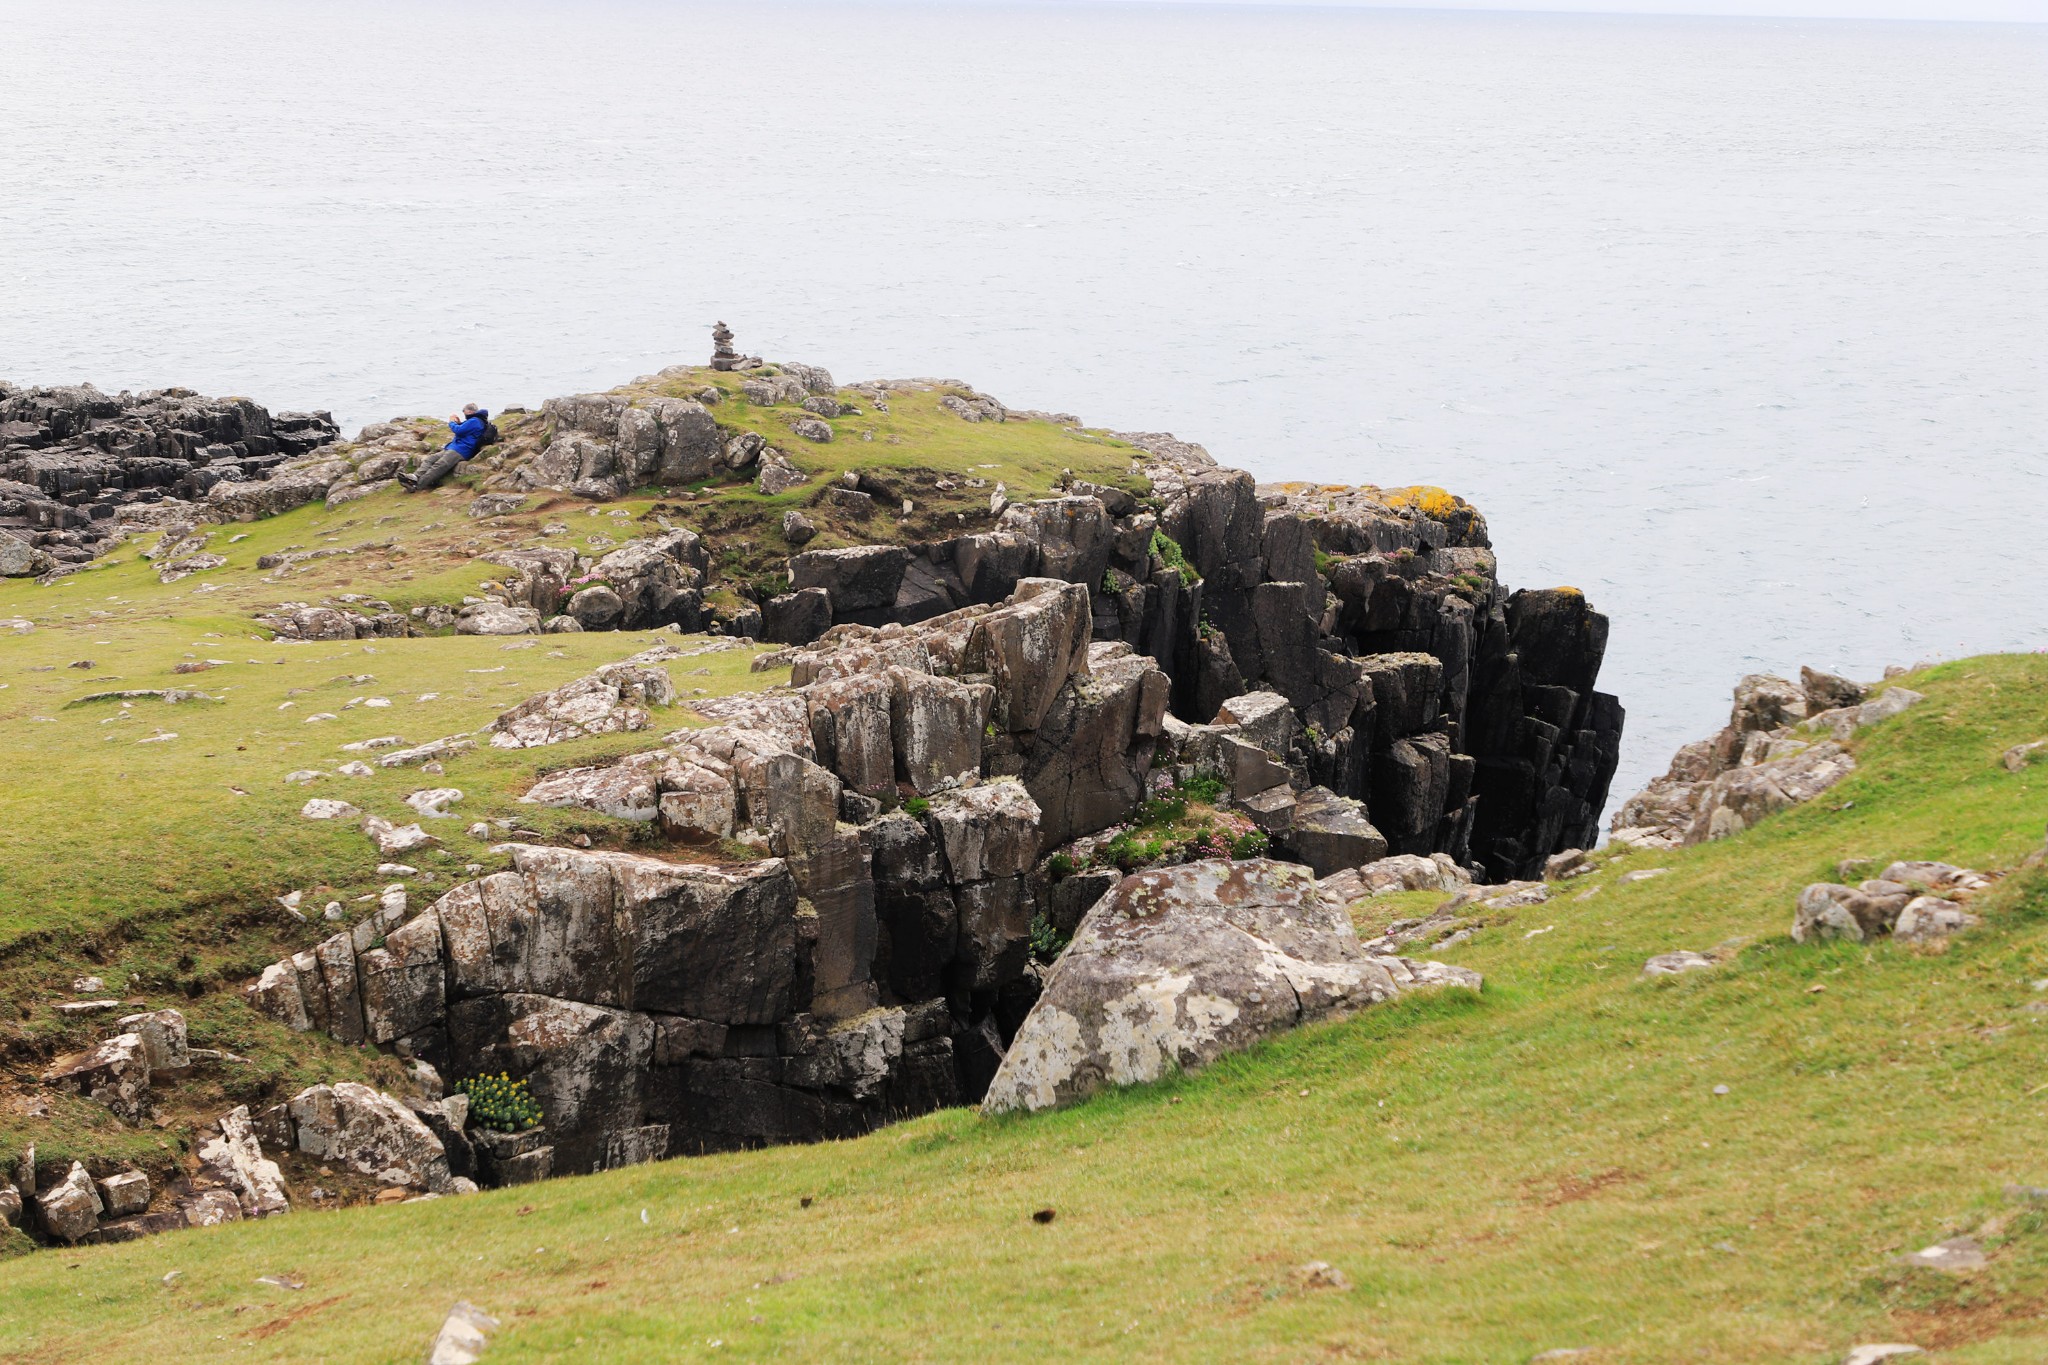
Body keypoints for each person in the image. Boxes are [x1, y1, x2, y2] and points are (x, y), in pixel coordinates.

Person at [400, 403, 491, 491]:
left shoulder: (475, 421)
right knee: (430, 459)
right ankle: (414, 477)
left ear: (470, 411)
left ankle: (418, 485)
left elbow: (458, 430)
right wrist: (459, 423)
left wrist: (451, 422)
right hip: (454, 447)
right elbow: (465, 429)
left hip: (462, 450)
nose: (464, 413)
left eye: (464, 411)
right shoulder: (475, 420)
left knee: (440, 465)